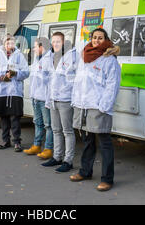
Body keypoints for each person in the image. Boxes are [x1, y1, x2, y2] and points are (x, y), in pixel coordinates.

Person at [69, 28, 121, 192]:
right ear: (90, 39)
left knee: (105, 143)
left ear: (105, 40)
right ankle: (85, 172)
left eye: (100, 38)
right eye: (94, 37)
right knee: (87, 141)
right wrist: (75, 100)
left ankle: (107, 179)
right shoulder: (84, 56)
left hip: (99, 107)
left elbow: (112, 85)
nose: (96, 40)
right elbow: (79, 81)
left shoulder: (109, 59)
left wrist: (103, 106)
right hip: (83, 105)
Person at [42, 32, 78, 173]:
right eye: (53, 42)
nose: (55, 44)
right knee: (56, 130)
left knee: (67, 131)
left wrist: (64, 90)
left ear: (63, 43)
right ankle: (57, 157)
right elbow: (49, 80)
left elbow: (73, 79)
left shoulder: (70, 56)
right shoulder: (51, 57)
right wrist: (48, 98)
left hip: (65, 99)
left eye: (58, 41)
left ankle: (68, 161)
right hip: (53, 99)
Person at [0, 35, 29, 152]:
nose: (8, 45)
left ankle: (17, 142)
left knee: (15, 117)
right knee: (4, 117)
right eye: (6, 43)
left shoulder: (19, 56)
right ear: (4, 44)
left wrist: (16, 73)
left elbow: (26, 72)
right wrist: (1, 77)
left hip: (14, 91)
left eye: (10, 43)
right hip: (1, 92)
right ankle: (6, 141)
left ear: (13, 44)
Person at [23, 38, 53, 160]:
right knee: (37, 122)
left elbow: (50, 81)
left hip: (44, 98)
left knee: (48, 125)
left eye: (35, 47)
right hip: (36, 97)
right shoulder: (37, 59)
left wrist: (48, 99)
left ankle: (48, 148)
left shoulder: (50, 59)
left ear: (42, 47)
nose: (34, 49)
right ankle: (36, 145)